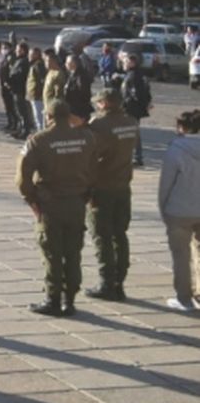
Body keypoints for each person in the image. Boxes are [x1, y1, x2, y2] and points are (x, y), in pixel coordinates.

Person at [16, 99, 96, 316]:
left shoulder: (39, 140)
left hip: (50, 204)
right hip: (77, 202)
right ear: (69, 116)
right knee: (72, 252)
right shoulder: (86, 138)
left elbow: (22, 178)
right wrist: (86, 194)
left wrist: (32, 200)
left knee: (52, 253)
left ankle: (53, 299)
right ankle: (69, 299)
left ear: (48, 117)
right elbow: (94, 168)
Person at [85, 87, 138, 302]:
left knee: (102, 236)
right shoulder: (131, 123)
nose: (97, 105)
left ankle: (107, 283)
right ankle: (119, 282)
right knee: (120, 234)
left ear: (105, 103)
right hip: (123, 185)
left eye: (99, 102)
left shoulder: (99, 125)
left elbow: (91, 155)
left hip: (102, 186)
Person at [159, 109, 200, 311]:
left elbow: (166, 183)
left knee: (181, 254)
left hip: (179, 211)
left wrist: (163, 208)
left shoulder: (176, 149)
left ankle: (183, 298)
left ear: (182, 128)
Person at [119, 52, 152, 168]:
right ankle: (136, 156)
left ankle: (137, 157)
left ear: (132, 63)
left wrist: (125, 104)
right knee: (132, 132)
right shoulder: (133, 74)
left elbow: (136, 94)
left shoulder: (134, 76)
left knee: (132, 133)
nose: (123, 63)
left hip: (131, 110)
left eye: (125, 61)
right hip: (132, 109)